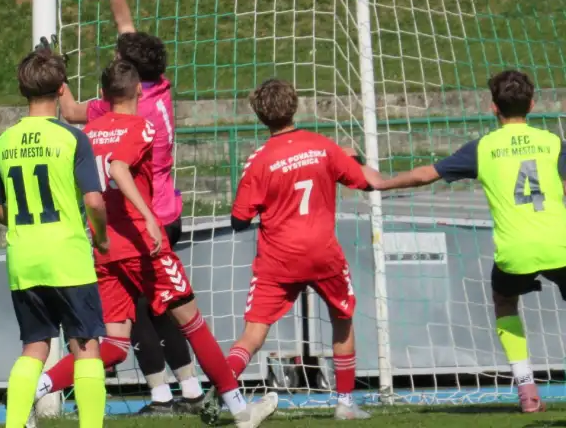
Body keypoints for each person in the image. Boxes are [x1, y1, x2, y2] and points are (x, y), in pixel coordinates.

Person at [38, 60, 279, 428]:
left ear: (102, 95)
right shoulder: (141, 126)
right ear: (137, 91)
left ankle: (37, 385)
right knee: (193, 324)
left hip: (105, 250)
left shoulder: (87, 133)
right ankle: (240, 412)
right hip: (142, 247)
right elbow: (119, 169)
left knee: (115, 346)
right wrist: (149, 217)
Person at [59, 0, 202, 414]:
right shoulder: (159, 89)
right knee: (169, 306)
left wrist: (55, 77)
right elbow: (128, 32)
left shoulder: (107, 110)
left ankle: (161, 392)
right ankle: (193, 389)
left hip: (136, 221)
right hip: (169, 214)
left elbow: (70, 111)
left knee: (138, 311)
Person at [374, 70, 566, 413]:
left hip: (515, 249)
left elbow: (425, 175)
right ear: (533, 105)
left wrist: (381, 183)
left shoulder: (483, 148)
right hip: (560, 242)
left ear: (494, 107)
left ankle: (526, 388)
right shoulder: (552, 142)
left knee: (505, 300)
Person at [201, 79, 374, 423]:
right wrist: (356, 158)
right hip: (323, 253)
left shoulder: (260, 160)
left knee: (254, 332)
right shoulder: (323, 146)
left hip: (279, 258)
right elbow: (361, 179)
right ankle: (344, 403)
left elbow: (239, 219)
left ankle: (225, 385)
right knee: (342, 318)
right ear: (295, 105)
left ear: (260, 115)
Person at [0, 47, 109, 428]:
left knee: (34, 348)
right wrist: (101, 237)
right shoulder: (72, 138)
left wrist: (26, 224)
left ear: (23, 91)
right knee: (86, 348)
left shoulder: (4, 142)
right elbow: (93, 200)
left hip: (23, 259)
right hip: (68, 258)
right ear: (61, 90)